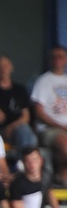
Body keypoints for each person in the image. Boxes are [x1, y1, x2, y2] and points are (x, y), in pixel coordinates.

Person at [0, 54, 36, 152]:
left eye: (6, 66)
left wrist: (11, 128)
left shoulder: (20, 90)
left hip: (17, 130)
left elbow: (26, 117)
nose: (3, 69)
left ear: (11, 67)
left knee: (24, 130)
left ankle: (27, 159)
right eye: (0, 66)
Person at [31, 46, 67, 186]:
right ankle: (60, 175)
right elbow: (39, 112)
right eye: (54, 57)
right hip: (49, 129)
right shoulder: (43, 81)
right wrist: (61, 126)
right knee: (65, 145)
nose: (57, 59)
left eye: (60, 56)